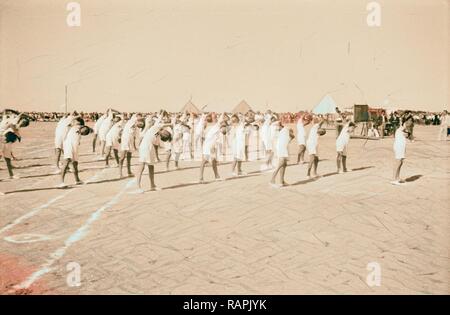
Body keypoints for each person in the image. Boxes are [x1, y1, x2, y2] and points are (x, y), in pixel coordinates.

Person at [133, 116, 172, 193]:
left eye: (165, 134)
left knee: (151, 167)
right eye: (165, 132)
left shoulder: (158, 137)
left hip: (150, 148)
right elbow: (162, 124)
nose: (165, 132)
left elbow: (156, 145)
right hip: (144, 147)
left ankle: (152, 185)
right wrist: (170, 124)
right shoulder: (155, 128)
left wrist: (156, 156)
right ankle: (138, 187)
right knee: (141, 167)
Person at [57, 117, 92, 188]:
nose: (73, 121)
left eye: (75, 121)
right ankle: (61, 182)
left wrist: (86, 129)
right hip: (68, 145)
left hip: (75, 145)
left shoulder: (80, 127)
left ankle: (77, 180)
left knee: (75, 163)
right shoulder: (70, 126)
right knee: (66, 162)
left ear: (78, 122)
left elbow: (87, 130)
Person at [199, 113, 227, 183]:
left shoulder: (208, 125)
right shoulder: (214, 125)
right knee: (205, 161)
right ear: (212, 119)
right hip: (210, 145)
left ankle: (216, 176)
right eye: (214, 117)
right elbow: (221, 120)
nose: (216, 118)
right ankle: (201, 178)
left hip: (210, 145)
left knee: (212, 161)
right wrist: (223, 114)